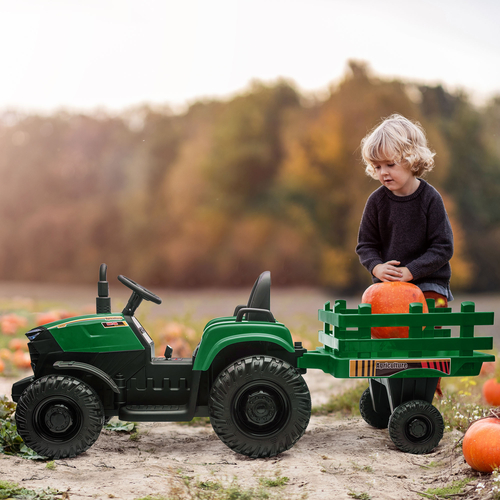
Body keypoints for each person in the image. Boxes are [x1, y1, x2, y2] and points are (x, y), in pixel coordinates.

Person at [355, 114, 454, 308]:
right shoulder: (376, 201)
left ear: (412, 160)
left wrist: (412, 271)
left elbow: (443, 247)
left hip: (430, 284)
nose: (383, 172)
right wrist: (376, 267)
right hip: (388, 287)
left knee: (426, 326)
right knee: (388, 329)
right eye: (377, 166)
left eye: (390, 164)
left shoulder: (430, 199)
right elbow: (366, 245)